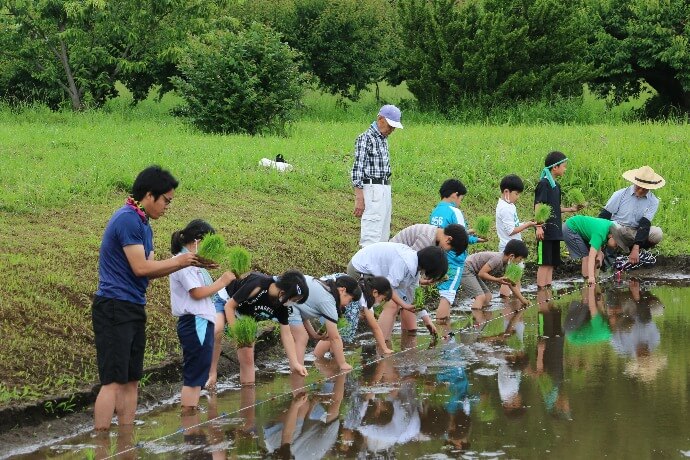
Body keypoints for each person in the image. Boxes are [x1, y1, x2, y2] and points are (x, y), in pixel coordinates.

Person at [91, 166, 212, 431]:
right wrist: (180, 261)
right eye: (166, 200)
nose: (168, 206)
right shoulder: (127, 220)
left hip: (133, 306)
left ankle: (125, 440)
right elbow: (141, 268)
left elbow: (148, 270)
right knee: (112, 380)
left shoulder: (143, 224)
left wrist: (187, 262)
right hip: (114, 307)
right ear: (149, 195)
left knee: (132, 378)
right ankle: (100, 445)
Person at [168, 220, 235, 412]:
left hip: (201, 321)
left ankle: (192, 412)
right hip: (194, 322)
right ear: (198, 241)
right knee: (195, 371)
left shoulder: (191, 263)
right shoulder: (183, 263)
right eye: (209, 244)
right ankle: (189, 417)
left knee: (199, 369)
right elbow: (197, 292)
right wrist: (223, 280)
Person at [223, 270, 310, 385]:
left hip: (247, 318)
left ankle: (248, 395)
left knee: (248, 358)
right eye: (293, 300)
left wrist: (295, 363)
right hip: (227, 300)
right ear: (282, 293)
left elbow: (287, 334)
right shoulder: (258, 284)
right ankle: (211, 377)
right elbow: (229, 306)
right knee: (217, 330)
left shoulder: (282, 306)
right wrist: (237, 333)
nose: (292, 303)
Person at [347, 242, 448, 341]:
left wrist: (427, 321)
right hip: (360, 269)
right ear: (430, 266)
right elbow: (388, 288)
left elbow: (412, 297)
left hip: (372, 271)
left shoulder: (414, 265)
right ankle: (381, 344)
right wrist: (404, 305)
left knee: (392, 304)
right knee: (392, 305)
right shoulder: (404, 263)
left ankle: (382, 340)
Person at [390, 223, 469, 329]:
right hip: (392, 267)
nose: (446, 251)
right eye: (449, 249)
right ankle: (386, 341)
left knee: (408, 302)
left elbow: (414, 272)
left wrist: (420, 281)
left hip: (401, 271)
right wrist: (426, 319)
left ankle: (408, 335)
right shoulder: (426, 239)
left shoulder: (434, 236)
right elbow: (412, 266)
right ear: (448, 239)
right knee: (395, 305)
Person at [351, 104, 403, 247]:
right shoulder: (365, 138)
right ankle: (365, 267)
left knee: (383, 233)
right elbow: (358, 168)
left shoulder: (383, 139)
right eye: (389, 126)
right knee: (372, 234)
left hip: (385, 187)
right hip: (372, 188)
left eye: (394, 127)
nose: (392, 130)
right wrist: (359, 197)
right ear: (380, 119)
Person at [288, 274, 360, 371]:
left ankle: (297, 368)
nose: (347, 304)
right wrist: (343, 364)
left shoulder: (325, 288)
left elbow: (302, 312)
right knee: (301, 337)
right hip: (285, 296)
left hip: (290, 297)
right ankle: (297, 370)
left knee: (302, 337)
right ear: (342, 290)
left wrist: (313, 334)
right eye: (350, 300)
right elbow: (334, 337)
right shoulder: (328, 301)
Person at [313, 275, 394, 358]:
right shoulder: (365, 299)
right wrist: (385, 349)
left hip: (331, 299)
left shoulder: (361, 290)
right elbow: (375, 328)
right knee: (333, 334)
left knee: (337, 334)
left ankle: (333, 356)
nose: (380, 303)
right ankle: (317, 357)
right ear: (375, 292)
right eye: (382, 299)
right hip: (330, 302)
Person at [598, 165, 665, 265]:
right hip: (618, 229)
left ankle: (633, 250)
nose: (641, 190)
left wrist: (636, 248)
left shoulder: (653, 201)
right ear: (634, 183)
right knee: (613, 237)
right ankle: (609, 261)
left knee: (657, 233)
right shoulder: (620, 194)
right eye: (639, 187)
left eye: (645, 188)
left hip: (635, 231)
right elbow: (604, 216)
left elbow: (645, 224)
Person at [534, 151, 582, 288]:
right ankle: (541, 292)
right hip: (545, 230)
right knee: (544, 263)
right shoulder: (544, 184)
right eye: (564, 166)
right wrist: (538, 226)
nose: (565, 169)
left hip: (555, 231)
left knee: (551, 263)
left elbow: (555, 207)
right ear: (555, 167)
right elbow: (539, 205)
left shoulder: (556, 186)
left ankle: (547, 290)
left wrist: (571, 209)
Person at [460, 239, 531, 326]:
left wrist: (522, 300)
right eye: (520, 259)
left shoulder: (507, 264)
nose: (520, 262)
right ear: (512, 256)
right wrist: (497, 280)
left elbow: (511, 284)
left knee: (488, 297)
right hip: (466, 269)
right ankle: (475, 325)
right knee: (480, 297)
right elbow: (482, 274)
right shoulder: (497, 259)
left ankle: (480, 321)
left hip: (474, 272)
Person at [495, 174, 536, 297]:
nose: (518, 197)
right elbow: (511, 230)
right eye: (516, 194)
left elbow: (514, 225)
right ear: (506, 191)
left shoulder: (509, 205)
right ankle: (507, 302)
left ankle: (515, 301)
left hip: (512, 246)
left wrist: (527, 223)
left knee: (515, 276)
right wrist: (528, 224)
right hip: (510, 247)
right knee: (510, 278)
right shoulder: (505, 208)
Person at [562, 215, 622, 285]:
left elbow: (595, 230)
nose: (616, 247)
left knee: (600, 255)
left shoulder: (610, 228)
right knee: (586, 257)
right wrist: (591, 277)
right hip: (570, 228)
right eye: (617, 244)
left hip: (586, 231)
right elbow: (591, 256)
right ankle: (587, 281)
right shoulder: (600, 234)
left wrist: (599, 253)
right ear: (612, 236)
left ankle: (595, 278)